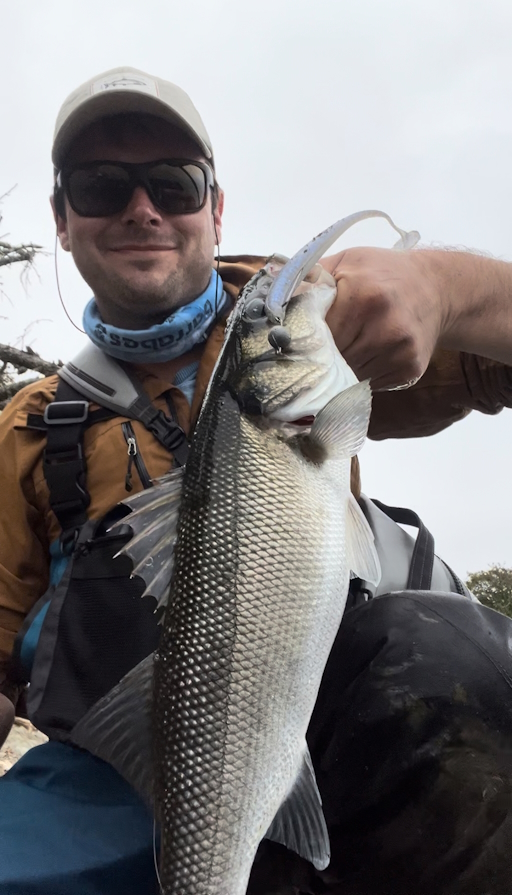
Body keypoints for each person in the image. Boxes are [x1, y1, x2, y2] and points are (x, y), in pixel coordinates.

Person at [0, 66, 511, 895]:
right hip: (99, 783)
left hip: (338, 740)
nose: (142, 207)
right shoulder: (26, 425)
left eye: (173, 182)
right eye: (101, 186)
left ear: (215, 206)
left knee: (454, 656)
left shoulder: (332, 329)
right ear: (61, 219)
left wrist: (446, 291)